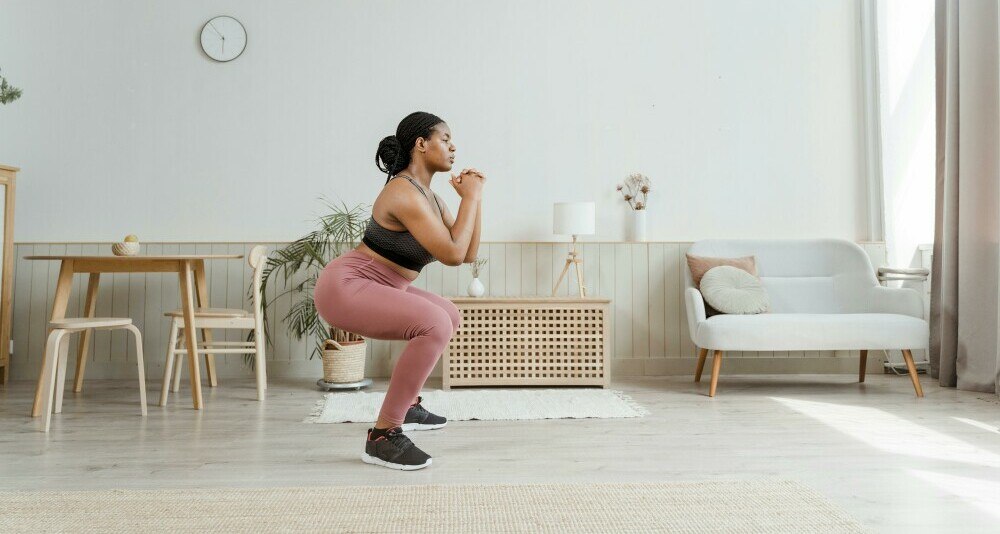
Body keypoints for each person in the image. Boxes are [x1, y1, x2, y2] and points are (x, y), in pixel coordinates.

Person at [313, 111, 485, 470]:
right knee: (435, 323)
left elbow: (467, 252)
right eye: (445, 138)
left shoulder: (432, 199)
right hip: (348, 285)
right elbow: (452, 254)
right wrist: (469, 198)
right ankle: (383, 435)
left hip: (383, 284)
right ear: (421, 145)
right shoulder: (402, 192)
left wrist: (475, 200)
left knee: (448, 315)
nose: (454, 147)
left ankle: (406, 405)